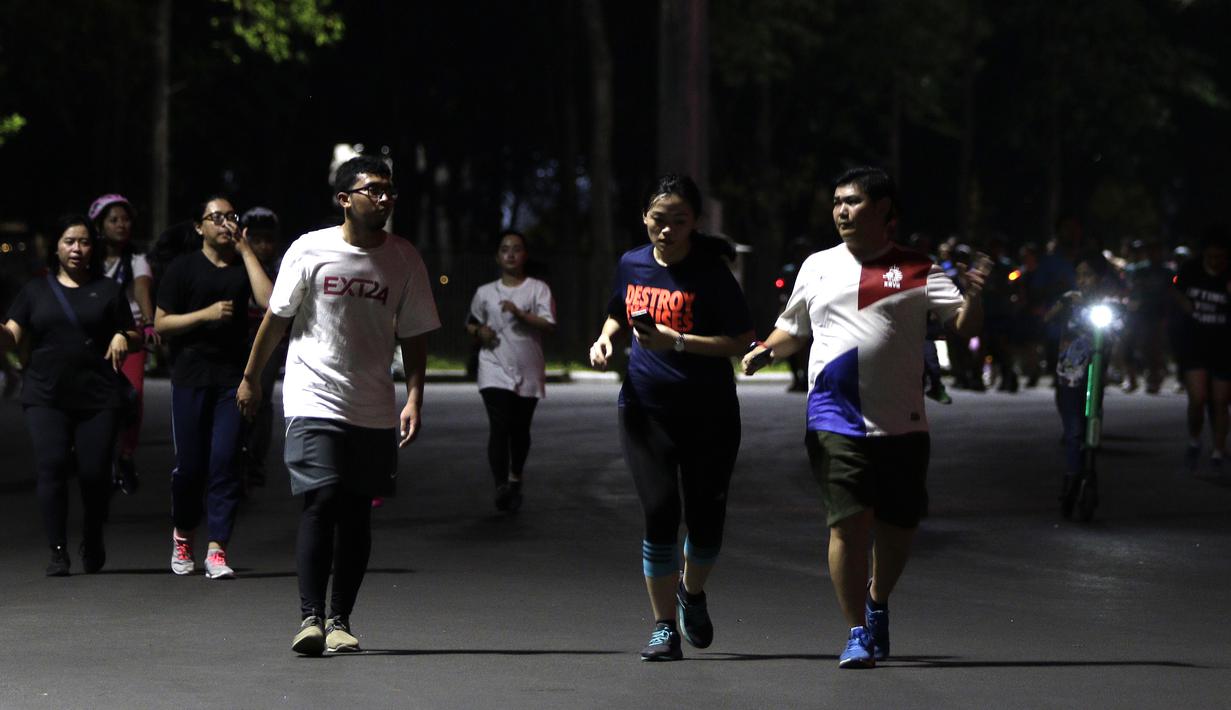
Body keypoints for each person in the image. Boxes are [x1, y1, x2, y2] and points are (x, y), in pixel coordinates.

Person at [742, 167, 985, 668]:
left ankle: (877, 602)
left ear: (884, 211)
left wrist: (976, 295)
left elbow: (960, 324)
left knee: (898, 528)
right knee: (848, 524)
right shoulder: (817, 265)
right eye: (836, 202)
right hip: (835, 415)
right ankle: (856, 631)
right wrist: (766, 349)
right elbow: (794, 327)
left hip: (903, 420)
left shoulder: (917, 268)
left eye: (852, 202)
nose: (841, 211)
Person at [238, 155, 440, 656]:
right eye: (373, 189)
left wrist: (414, 395)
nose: (385, 198)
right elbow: (277, 319)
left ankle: (341, 620)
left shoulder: (404, 258)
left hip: (372, 403)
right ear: (344, 199)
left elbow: (415, 335)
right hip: (312, 396)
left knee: (355, 513)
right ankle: (310, 618)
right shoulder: (310, 249)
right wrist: (252, 379)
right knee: (322, 499)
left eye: (390, 190)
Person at [588, 174, 754, 662]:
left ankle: (692, 592)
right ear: (644, 218)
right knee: (660, 511)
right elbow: (620, 311)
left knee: (705, 523)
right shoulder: (632, 263)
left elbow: (741, 340)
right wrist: (606, 339)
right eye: (659, 220)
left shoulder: (711, 274)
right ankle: (663, 627)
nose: (667, 230)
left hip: (709, 413)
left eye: (679, 221)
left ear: (694, 224)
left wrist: (676, 341)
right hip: (645, 408)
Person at [0, 215, 138, 575]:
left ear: (93, 247)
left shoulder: (108, 290)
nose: (77, 249)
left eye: (84, 242)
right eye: (69, 242)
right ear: (55, 247)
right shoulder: (35, 291)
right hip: (45, 395)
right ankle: (58, 550)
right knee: (51, 468)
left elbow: (133, 331)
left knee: (93, 474)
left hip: (98, 396)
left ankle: (92, 536)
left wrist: (124, 336)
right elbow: (12, 335)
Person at [155, 196, 273, 579]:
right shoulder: (182, 269)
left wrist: (246, 249)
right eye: (216, 217)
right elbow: (161, 324)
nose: (225, 223)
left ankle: (217, 549)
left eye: (231, 217)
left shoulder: (243, 266)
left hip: (230, 379)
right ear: (199, 226)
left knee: (225, 461)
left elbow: (269, 300)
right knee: (189, 466)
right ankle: (183, 535)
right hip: (190, 376)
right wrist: (205, 315)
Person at [466, 230, 556, 512]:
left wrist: (520, 314)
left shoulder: (537, 289)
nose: (510, 254)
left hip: (528, 366)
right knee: (499, 426)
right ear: (497, 256)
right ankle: (501, 486)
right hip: (493, 366)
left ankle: (516, 475)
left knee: (519, 429)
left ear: (524, 255)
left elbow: (549, 324)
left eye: (516, 249)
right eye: (505, 249)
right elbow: (470, 323)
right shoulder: (485, 292)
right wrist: (479, 331)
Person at [89, 194, 158, 494]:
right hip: (92, 334)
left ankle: (126, 454)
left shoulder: (136, 259)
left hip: (129, 333)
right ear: (99, 225)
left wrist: (151, 323)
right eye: (114, 219)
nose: (122, 225)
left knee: (134, 394)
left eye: (126, 219)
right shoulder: (86, 256)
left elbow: (143, 292)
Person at [1047, 251, 1117, 510]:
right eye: (1079, 275)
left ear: (1099, 278)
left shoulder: (1107, 305)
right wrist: (1061, 307)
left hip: (1094, 372)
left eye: (1088, 275)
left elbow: (1119, 327)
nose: (1083, 280)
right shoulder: (1070, 300)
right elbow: (1048, 317)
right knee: (1074, 429)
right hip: (1069, 372)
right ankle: (1072, 476)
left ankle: (1088, 472)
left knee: (1092, 424)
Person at [1171, 228, 1231, 474]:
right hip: (1195, 344)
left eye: (1220, 257)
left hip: (1224, 346)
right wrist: (1184, 303)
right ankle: (1194, 440)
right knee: (1197, 399)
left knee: (1221, 401)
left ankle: (1218, 451)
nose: (1215, 262)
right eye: (1211, 257)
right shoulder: (1190, 270)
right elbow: (1175, 289)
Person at [237, 207, 285, 489]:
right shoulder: (235, 264)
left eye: (269, 239)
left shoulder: (281, 267)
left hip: (268, 345)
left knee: (262, 399)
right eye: (257, 239)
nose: (264, 246)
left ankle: (255, 460)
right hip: (238, 343)